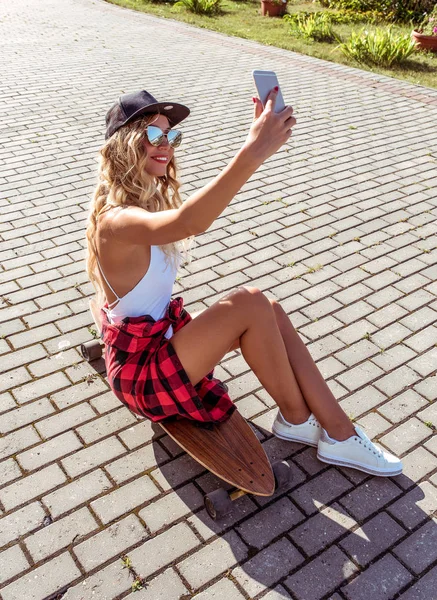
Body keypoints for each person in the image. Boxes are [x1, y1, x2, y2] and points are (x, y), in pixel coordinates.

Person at [85, 89, 402, 477]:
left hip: (158, 343)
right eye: (154, 135)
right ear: (124, 144)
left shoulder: (144, 202)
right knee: (249, 302)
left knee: (267, 309)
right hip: (143, 374)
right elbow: (191, 222)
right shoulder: (115, 221)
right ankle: (339, 433)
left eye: (171, 136)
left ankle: (299, 420)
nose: (165, 145)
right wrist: (253, 150)